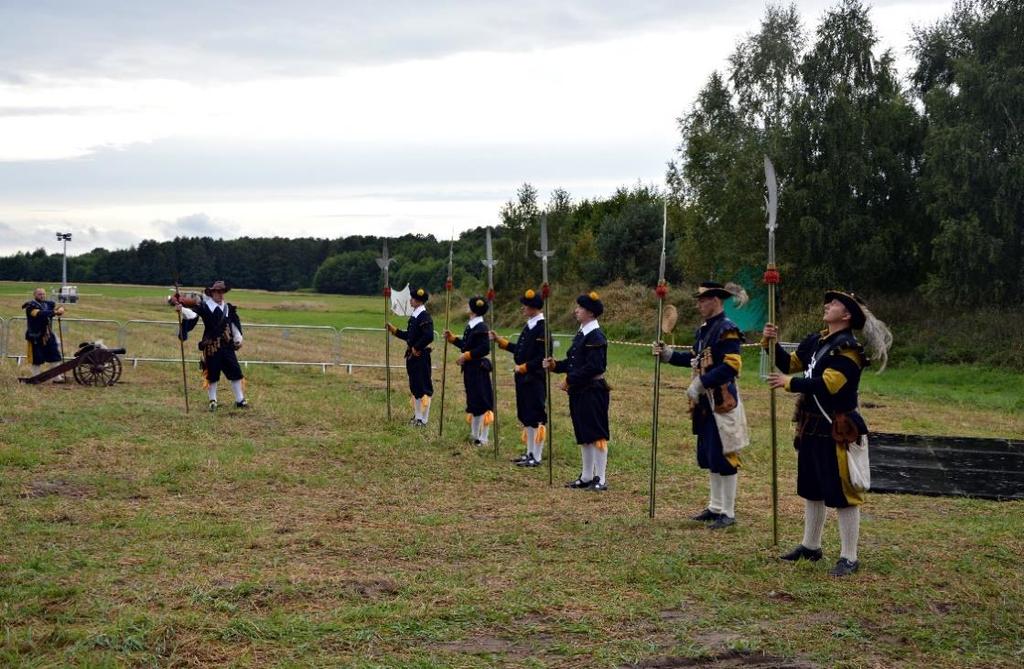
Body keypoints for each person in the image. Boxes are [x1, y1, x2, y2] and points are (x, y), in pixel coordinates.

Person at [764, 290, 892, 577]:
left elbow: (828, 384)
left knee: (842, 493)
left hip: (838, 428)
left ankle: (849, 556)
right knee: (813, 488)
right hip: (811, 426)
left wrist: (790, 384)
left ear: (846, 315)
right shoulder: (816, 340)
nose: (827, 305)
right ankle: (811, 546)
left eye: (833, 303)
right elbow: (789, 364)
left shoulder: (849, 350)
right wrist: (769, 342)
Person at [654, 281, 750, 530]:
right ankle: (715, 506)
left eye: (703, 300)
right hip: (705, 403)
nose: (699, 304)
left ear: (716, 300)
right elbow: (695, 359)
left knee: (725, 454)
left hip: (721, 400)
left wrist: (701, 383)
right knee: (711, 454)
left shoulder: (727, 330)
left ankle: (728, 512)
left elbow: (731, 366)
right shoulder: (704, 330)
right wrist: (669, 355)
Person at [543, 291, 610, 491]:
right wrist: (556, 365)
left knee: (597, 434)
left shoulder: (596, 336)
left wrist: (569, 379)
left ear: (590, 312)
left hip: (593, 390)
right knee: (583, 433)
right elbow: (574, 363)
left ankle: (601, 478)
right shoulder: (582, 333)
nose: (576, 311)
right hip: (580, 391)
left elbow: (595, 367)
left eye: (579, 308)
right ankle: (587, 475)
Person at [170, 280, 249, 411]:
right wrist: (182, 309)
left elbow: (233, 324)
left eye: (222, 292)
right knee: (212, 374)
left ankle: (240, 400)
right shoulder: (205, 307)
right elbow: (193, 315)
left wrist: (238, 338)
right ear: (212, 293)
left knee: (235, 372)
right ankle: (213, 400)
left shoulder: (228, 308)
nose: (221, 294)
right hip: (211, 347)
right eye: (218, 292)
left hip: (227, 346)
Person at [491, 288, 547, 467]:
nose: (522, 308)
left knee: (536, 415)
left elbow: (542, 356)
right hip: (522, 378)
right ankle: (529, 452)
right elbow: (521, 350)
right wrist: (502, 342)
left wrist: (525, 367)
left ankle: (537, 456)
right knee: (526, 415)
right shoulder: (529, 325)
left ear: (534, 307)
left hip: (534, 378)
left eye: (525, 305)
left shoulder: (542, 328)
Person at [445, 297, 494, 445]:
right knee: (473, 402)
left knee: (483, 402)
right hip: (470, 369)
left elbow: (484, 348)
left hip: (479, 368)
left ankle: (484, 437)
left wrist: (466, 356)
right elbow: (467, 346)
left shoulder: (481, 327)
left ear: (474, 310)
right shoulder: (472, 326)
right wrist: (453, 339)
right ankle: (474, 435)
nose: (467, 307)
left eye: (469, 305)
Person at [387, 287, 435, 426]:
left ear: (418, 301)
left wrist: (416, 347)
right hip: (413, 356)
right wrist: (394, 330)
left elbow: (429, 336)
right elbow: (409, 335)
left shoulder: (424, 316)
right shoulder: (415, 315)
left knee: (424, 387)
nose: (410, 300)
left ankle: (423, 420)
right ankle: (417, 417)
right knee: (415, 387)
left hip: (421, 355)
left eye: (412, 299)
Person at [22, 287, 66, 380]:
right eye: (39, 294)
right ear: (35, 295)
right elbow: (40, 314)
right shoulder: (30, 306)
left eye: (43, 294)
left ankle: (56, 377)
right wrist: (55, 312)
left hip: (48, 334)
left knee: (54, 355)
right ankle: (35, 377)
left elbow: (59, 307)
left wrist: (61, 309)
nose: (42, 296)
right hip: (35, 336)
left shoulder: (48, 304)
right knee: (36, 358)